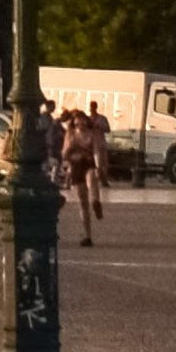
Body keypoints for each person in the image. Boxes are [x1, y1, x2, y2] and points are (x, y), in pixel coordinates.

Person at [59, 101, 106, 244]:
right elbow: (64, 154)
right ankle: (87, 236)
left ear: (86, 121)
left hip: (89, 162)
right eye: (78, 124)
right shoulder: (70, 134)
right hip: (76, 165)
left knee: (92, 179)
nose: (81, 126)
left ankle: (96, 202)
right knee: (82, 203)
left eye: (83, 123)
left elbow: (97, 151)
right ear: (74, 124)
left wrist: (99, 167)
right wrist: (70, 148)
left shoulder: (93, 133)